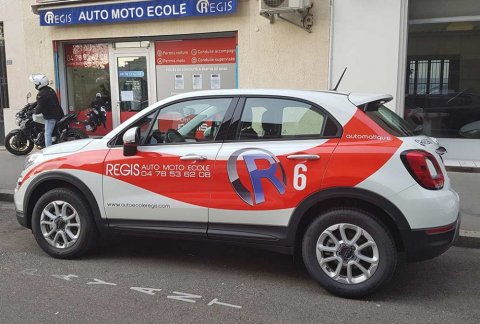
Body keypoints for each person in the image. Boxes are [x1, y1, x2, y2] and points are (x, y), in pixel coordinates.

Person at [29, 74, 65, 147]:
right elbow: (41, 101)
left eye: (36, 84)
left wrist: (33, 111)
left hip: (51, 116)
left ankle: (48, 150)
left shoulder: (41, 94)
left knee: (47, 134)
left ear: (40, 84)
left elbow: (39, 108)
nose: (35, 85)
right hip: (58, 113)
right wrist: (32, 105)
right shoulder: (50, 89)